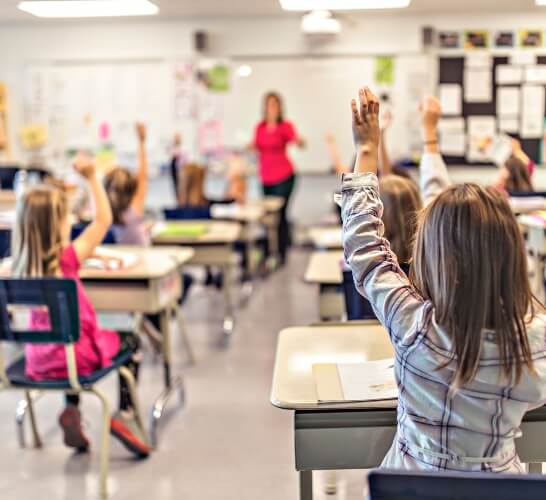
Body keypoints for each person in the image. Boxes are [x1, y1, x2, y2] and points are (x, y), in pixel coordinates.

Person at [342, 86, 546, 472]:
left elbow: (365, 249)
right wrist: (430, 138)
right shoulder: (534, 342)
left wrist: (366, 151)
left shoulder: (414, 326)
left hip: (409, 486)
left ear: (432, 253)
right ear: (510, 255)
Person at [12, 155, 150, 457]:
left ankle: (71, 408)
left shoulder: (16, 270)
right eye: (65, 219)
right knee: (130, 339)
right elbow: (103, 220)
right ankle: (123, 415)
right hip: (80, 357)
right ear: (57, 226)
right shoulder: (68, 259)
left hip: (38, 362)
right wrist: (91, 177)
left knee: (62, 344)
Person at [251, 92, 305, 265]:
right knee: (266, 216)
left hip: (284, 176)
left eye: (275, 104)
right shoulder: (259, 127)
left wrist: (300, 141)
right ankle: (267, 252)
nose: (272, 108)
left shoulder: (285, 126)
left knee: (280, 214)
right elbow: (256, 147)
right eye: (269, 104)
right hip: (266, 177)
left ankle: (282, 254)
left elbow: (298, 141)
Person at [104, 122, 149, 245]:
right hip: (143, 256)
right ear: (133, 188)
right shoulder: (135, 206)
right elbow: (143, 175)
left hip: (122, 257)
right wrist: (141, 141)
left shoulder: (106, 212)